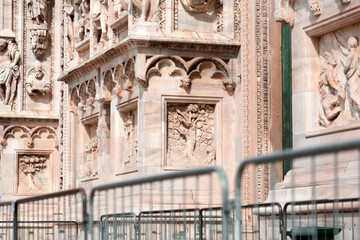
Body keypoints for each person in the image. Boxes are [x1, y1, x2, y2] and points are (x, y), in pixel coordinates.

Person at [0, 39, 20, 106]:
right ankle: (3, 99)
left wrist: (14, 63)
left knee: (7, 84)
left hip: (8, 68)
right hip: (0, 69)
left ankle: (6, 101)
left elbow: (17, 53)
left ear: (5, 45)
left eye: (1, 45)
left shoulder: (10, 47)